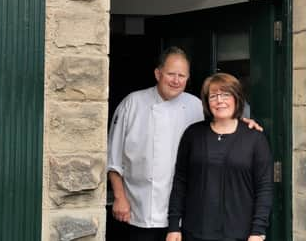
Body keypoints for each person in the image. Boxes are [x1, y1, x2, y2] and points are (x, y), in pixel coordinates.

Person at [107, 47, 261, 241]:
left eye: (182, 75)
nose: (176, 80)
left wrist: (244, 123)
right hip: (138, 207)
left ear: (187, 79)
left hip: (185, 213)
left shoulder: (196, 105)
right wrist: (120, 198)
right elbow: (113, 158)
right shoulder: (132, 103)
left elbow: (222, 122)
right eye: (171, 74)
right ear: (158, 73)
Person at [166, 72, 273, 241]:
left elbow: (264, 188)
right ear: (207, 102)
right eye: (213, 96)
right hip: (195, 232)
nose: (219, 100)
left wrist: (258, 232)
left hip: (240, 234)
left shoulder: (255, 138)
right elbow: (180, 182)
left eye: (225, 94)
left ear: (237, 98)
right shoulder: (192, 134)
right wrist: (173, 226)